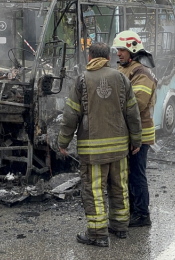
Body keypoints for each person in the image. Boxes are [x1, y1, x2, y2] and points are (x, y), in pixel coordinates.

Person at [58, 42, 143, 247]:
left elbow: (71, 115)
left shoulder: (82, 80)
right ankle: (120, 227)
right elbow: (133, 112)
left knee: (94, 190)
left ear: (90, 57)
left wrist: (63, 141)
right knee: (119, 186)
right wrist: (136, 139)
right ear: (108, 58)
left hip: (93, 151)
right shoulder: (121, 79)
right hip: (119, 148)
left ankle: (97, 234)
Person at [113, 30, 157, 228]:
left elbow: (136, 105)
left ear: (132, 49)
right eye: (117, 50)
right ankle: (132, 210)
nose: (118, 53)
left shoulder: (142, 73)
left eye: (122, 49)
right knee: (128, 174)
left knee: (137, 175)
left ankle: (142, 215)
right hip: (126, 132)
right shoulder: (124, 69)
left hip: (139, 134)